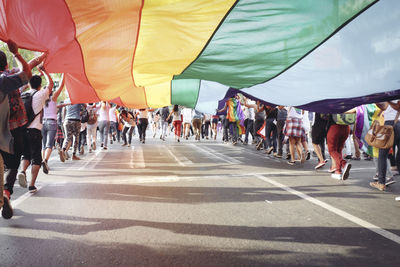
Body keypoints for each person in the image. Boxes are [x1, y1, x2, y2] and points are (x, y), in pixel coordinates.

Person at [0, 40, 33, 219]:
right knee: (12, 164)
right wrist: (17, 53)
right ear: (5, 64)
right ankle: (6, 192)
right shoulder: (6, 79)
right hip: (13, 130)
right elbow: (27, 73)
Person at [19, 65, 53, 193]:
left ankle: (22, 171)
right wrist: (45, 71)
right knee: (36, 158)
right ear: (40, 85)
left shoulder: (24, 93)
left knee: (25, 155)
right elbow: (50, 85)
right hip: (35, 130)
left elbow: (26, 85)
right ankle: (32, 185)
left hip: (23, 130)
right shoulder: (41, 94)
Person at [370, 101, 400, 191]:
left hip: (393, 124)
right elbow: (385, 107)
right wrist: (377, 102)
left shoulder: (394, 92)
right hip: (392, 123)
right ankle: (381, 182)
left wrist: (388, 100)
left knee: (382, 154)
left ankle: (381, 182)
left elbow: (397, 106)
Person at [41, 74, 64, 173]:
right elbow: (61, 85)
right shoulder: (53, 98)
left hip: (42, 123)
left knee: (43, 145)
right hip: (51, 122)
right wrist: (64, 74)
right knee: (49, 144)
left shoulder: (41, 99)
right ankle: (45, 161)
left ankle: (43, 161)